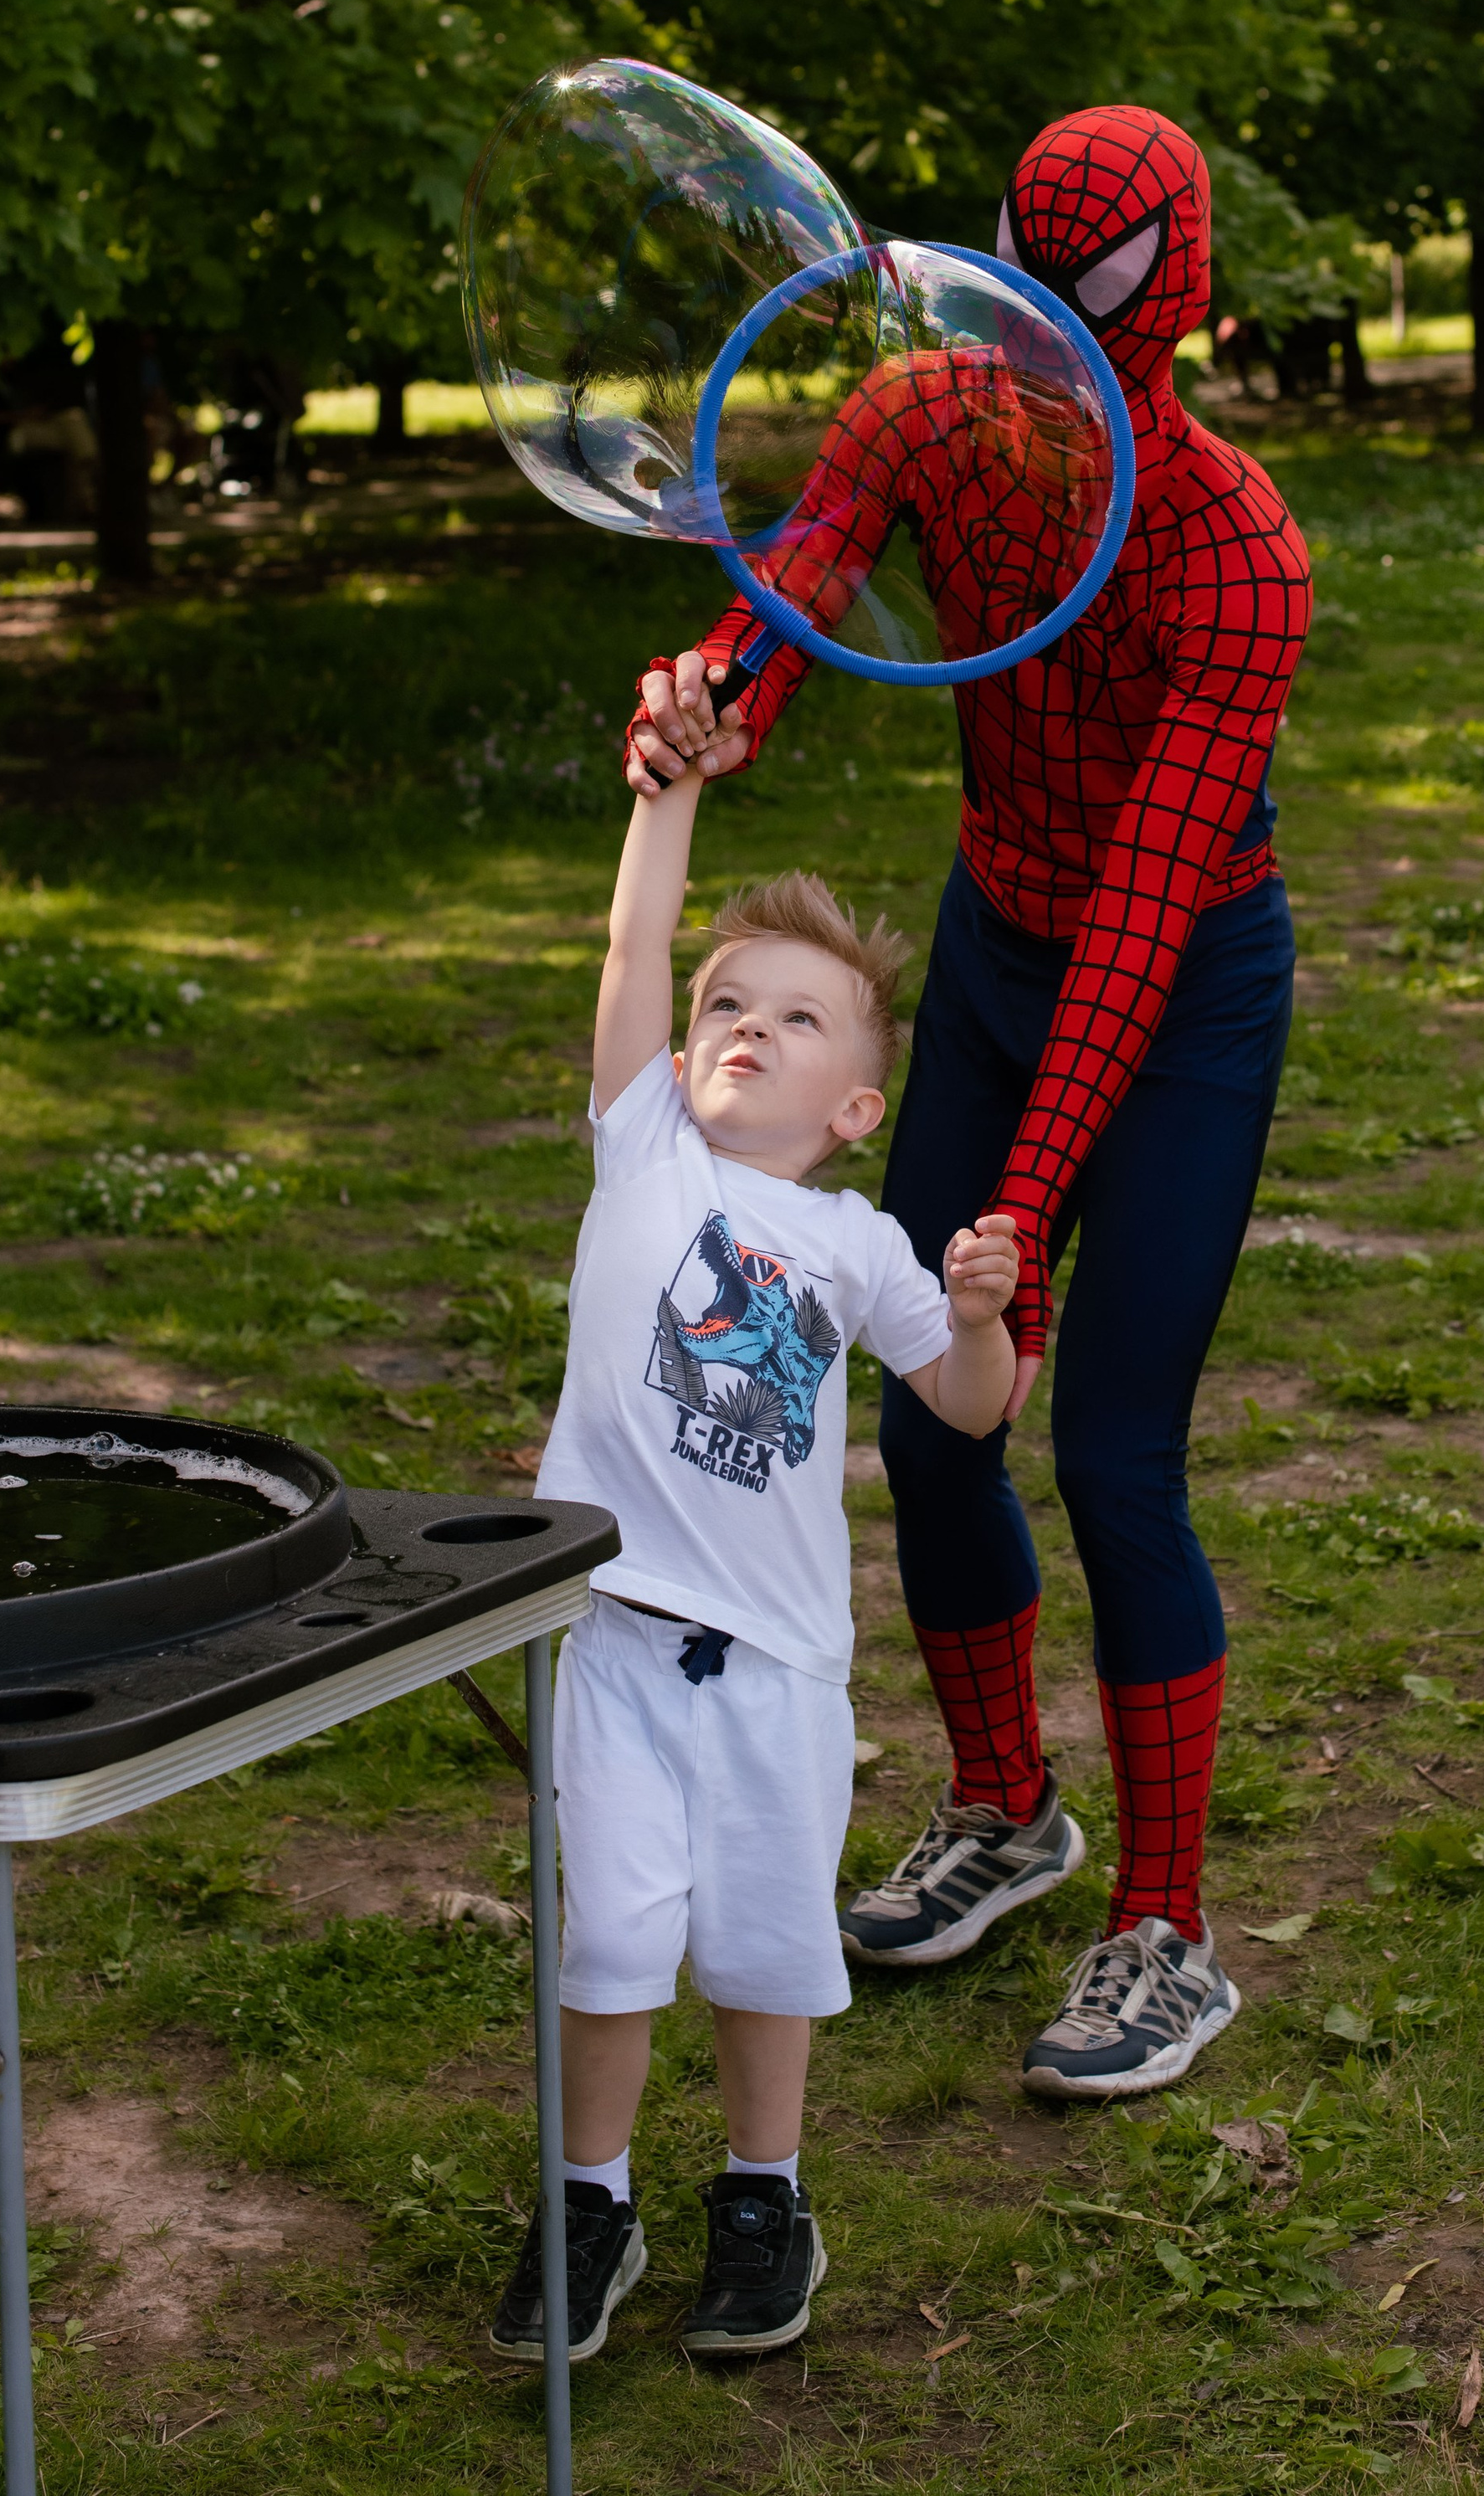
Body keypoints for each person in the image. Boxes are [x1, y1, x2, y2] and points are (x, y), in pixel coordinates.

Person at [628, 104, 1311, 2101]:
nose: (1032, 387)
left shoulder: (1236, 549)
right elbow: (799, 587)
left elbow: (1144, 915)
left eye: (1078, 348)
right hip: (1004, 939)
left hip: (1178, 990)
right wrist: (716, 691)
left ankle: (1163, 1934)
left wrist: (1009, 1211)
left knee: (1106, 1449)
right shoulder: (917, 415)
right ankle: (1006, 1810)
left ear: (1160, 324)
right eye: (1013, 329)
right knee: (927, 1433)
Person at [493, 758, 1019, 2365]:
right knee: (610, 1941)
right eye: (732, 1001)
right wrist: (668, 798)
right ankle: (589, 2200)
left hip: (781, 1666)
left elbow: (966, 1407)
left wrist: (989, 1316)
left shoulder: (859, 1243)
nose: (749, 1026)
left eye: (800, 1020)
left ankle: (761, 2197)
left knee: (770, 1942)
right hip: (619, 1640)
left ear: (856, 1107)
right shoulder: (644, 1147)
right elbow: (632, 952)